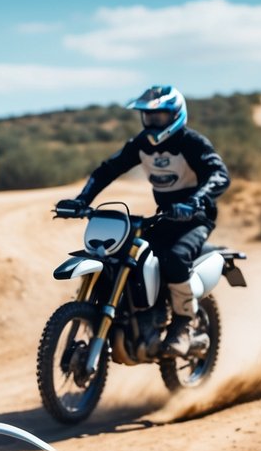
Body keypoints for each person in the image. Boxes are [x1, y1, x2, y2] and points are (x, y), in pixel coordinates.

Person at [56, 85, 230, 357]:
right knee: (128, 256)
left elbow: (219, 175)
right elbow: (108, 170)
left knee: (174, 257)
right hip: (165, 217)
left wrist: (196, 201)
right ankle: (133, 316)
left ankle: (183, 324)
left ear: (175, 116)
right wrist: (82, 199)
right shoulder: (141, 144)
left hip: (195, 219)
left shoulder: (192, 143)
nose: (152, 122)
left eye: (159, 117)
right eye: (148, 117)